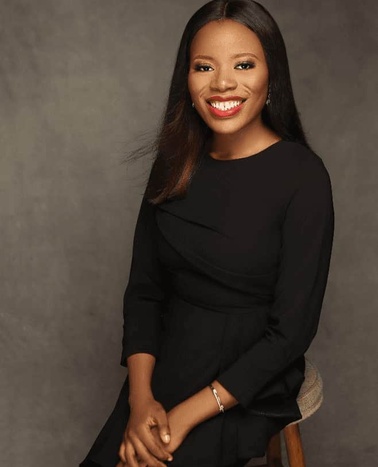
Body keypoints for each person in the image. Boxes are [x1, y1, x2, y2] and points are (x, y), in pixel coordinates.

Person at [79, 1, 335, 466]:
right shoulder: (174, 165)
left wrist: (186, 416)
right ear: (188, 78)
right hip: (172, 360)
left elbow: (291, 333)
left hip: (250, 373)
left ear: (271, 74)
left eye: (243, 64)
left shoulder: (304, 177)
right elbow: (144, 294)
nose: (222, 83)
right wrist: (141, 403)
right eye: (204, 67)